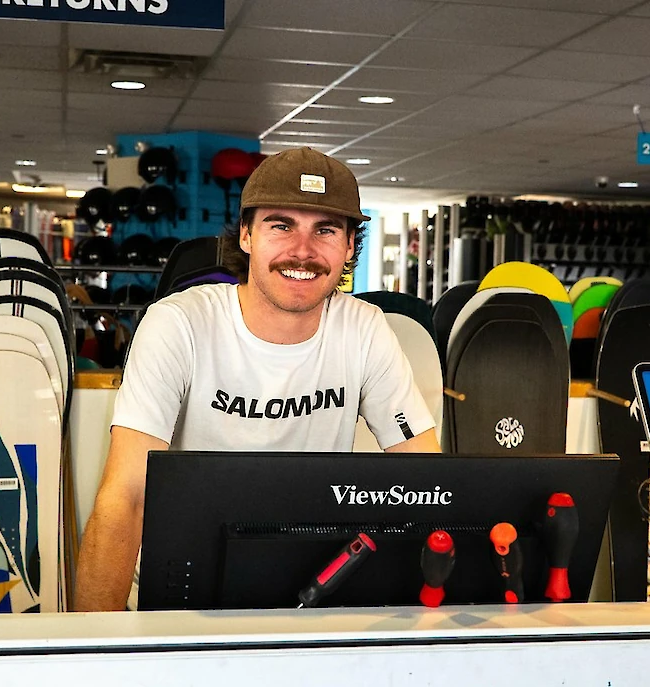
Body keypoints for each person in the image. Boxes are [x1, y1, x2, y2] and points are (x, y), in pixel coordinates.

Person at [73, 147, 440, 611]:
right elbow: (126, 496)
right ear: (246, 234)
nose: (302, 250)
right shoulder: (179, 323)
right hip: (180, 592)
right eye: (281, 225)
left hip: (310, 594)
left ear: (350, 246)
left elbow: (427, 482)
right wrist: (96, 642)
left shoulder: (363, 327)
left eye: (325, 230)